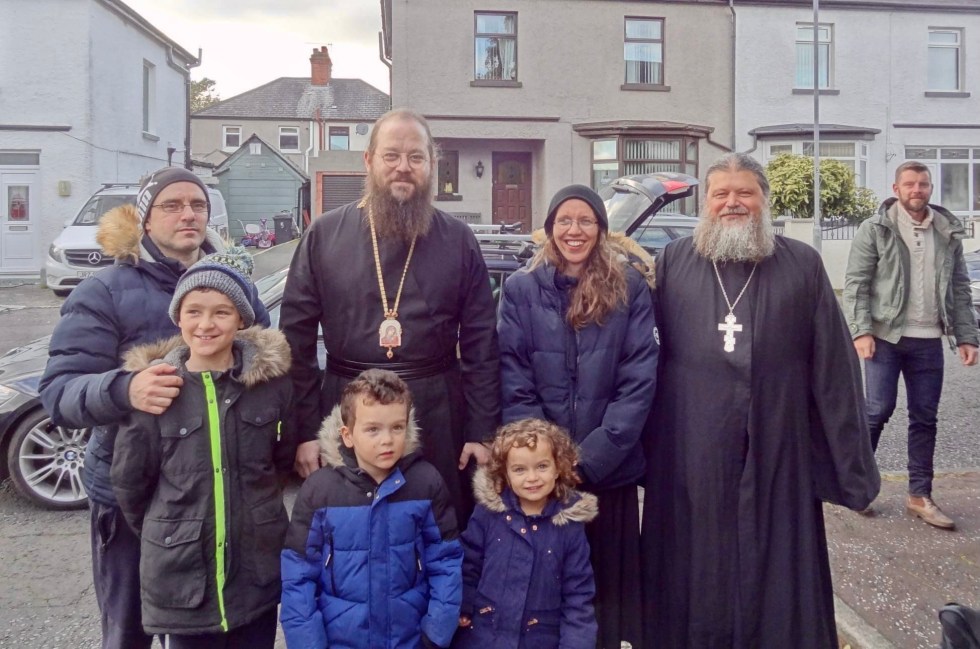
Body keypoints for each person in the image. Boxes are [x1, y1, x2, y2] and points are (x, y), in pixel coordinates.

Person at [641, 152, 880, 648]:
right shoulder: (674, 261)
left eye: (745, 192)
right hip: (692, 442)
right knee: (695, 559)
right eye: (721, 194)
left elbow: (834, 371)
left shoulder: (803, 264)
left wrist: (852, 467)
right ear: (705, 203)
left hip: (779, 437)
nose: (733, 203)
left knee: (775, 559)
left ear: (764, 200)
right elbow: (643, 359)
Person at [39, 167, 269, 649]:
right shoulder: (103, 292)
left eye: (198, 205)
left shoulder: (237, 288)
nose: (188, 214)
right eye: (172, 205)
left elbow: (262, 371)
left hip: (217, 498)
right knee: (129, 630)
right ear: (144, 220)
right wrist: (125, 389)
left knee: (218, 624)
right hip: (131, 499)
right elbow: (59, 392)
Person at [280, 108, 500, 524]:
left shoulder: (458, 239)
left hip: (435, 412)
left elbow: (481, 346)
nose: (404, 167)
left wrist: (480, 431)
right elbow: (296, 344)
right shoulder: (325, 235)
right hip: (346, 411)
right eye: (391, 155)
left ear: (432, 165)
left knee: (436, 534)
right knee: (350, 538)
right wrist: (306, 431)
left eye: (416, 157)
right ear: (369, 160)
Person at [496, 184, 658, 648]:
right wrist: (544, 460)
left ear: (601, 230)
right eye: (564, 220)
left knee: (606, 597)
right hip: (543, 478)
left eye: (586, 220)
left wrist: (590, 459)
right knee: (548, 594)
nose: (575, 230)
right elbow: (513, 372)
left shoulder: (628, 287)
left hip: (609, 472)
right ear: (550, 229)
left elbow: (639, 378)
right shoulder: (522, 290)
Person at [110, 248, 292, 648]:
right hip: (183, 575)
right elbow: (131, 484)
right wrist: (174, 527)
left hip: (255, 573)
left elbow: (279, 462)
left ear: (241, 319)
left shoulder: (270, 387)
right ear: (178, 317)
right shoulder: (155, 391)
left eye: (221, 312)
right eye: (194, 311)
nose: (206, 324)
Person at [280, 369, 463, 649]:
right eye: (373, 429)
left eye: (397, 427)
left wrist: (436, 634)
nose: (387, 440)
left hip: (410, 639)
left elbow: (446, 562)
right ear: (348, 435)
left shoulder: (426, 483)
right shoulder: (320, 491)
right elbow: (298, 575)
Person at [843, 161, 979, 529]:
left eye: (923, 184)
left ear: (930, 188)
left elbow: (960, 288)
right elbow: (856, 283)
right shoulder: (876, 229)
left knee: (925, 418)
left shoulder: (947, 232)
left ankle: (919, 495)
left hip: (929, 341)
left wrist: (966, 336)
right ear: (896, 187)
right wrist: (861, 331)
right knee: (877, 411)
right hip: (886, 338)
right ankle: (859, 488)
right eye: (910, 184)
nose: (916, 190)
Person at [454, 418, 598, 649]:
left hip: (539, 639)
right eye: (520, 469)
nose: (532, 478)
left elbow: (577, 595)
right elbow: (468, 563)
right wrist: (463, 605)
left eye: (542, 466)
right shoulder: (488, 513)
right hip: (484, 636)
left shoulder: (569, 526)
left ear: (558, 468)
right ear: (505, 473)